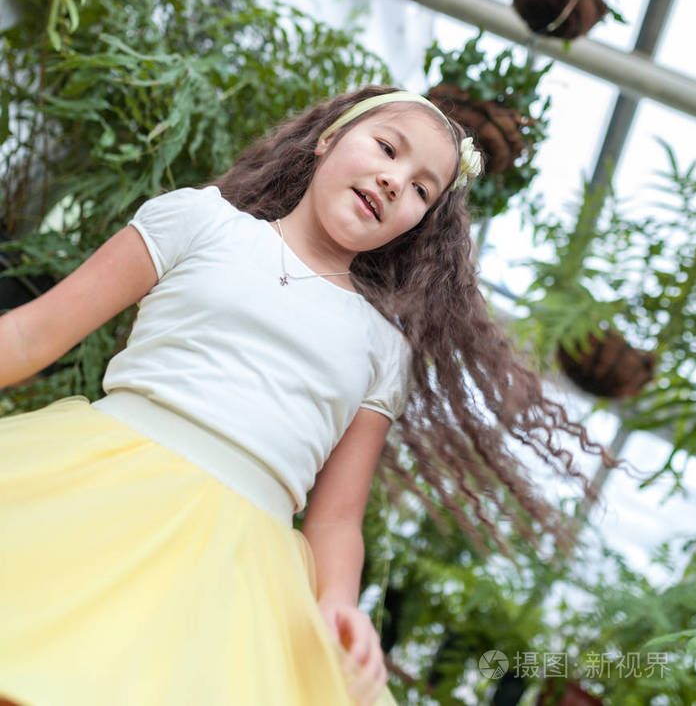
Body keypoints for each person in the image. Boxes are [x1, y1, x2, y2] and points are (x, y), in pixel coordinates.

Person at [0, 87, 612, 706]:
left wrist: (338, 603)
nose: (396, 181)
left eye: (423, 190)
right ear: (327, 140)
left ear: (418, 225)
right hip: (95, 496)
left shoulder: (382, 348)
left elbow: (338, 517)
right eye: (386, 148)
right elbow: (28, 336)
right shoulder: (197, 220)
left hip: (234, 571)